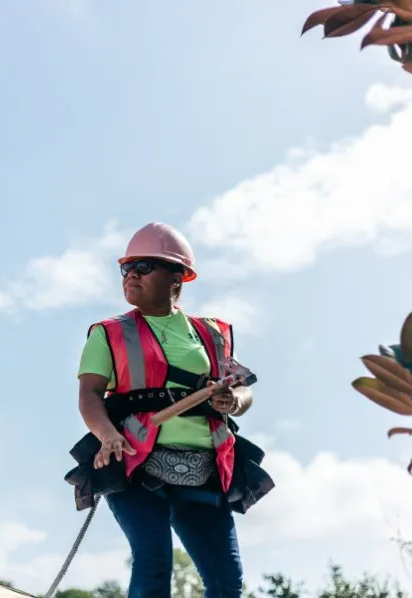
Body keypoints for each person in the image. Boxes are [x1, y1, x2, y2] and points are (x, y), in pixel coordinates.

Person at [71, 222, 269, 598]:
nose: (131, 275)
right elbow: (90, 396)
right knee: (154, 562)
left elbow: (241, 388)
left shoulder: (212, 333)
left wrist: (234, 401)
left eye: (144, 267)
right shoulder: (107, 334)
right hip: (135, 462)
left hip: (204, 466)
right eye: (126, 268)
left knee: (227, 582)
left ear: (178, 277)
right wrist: (107, 434)